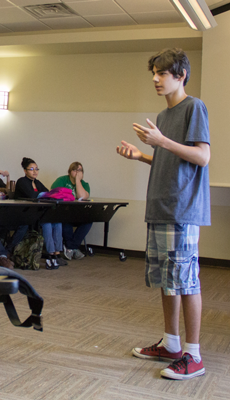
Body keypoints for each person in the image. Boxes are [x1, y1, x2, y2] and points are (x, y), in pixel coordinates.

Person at [117, 48, 210, 381]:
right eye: (153, 73)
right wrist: (141, 155)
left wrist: (162, 141)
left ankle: (193, 354)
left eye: (162, 73)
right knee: (167, 280)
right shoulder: (164, 115)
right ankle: (171, 344)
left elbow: (202, 157)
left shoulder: (193, 107)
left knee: (186, 281)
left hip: (182, 208)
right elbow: (168, 161)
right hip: (160, 206)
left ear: (180, 75)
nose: (156, 79)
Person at [14, 157, 66, 269]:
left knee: (57, 222)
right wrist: (45, 195)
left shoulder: (37, 182)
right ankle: (50, 254)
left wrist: (48, 195)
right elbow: (33, 196)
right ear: (25, 170)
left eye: (36, 169)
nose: (35, 171)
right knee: (47, 223)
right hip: (25, 213)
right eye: (31, 169)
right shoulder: (22, 181)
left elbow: (48, 193)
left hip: (38, 212)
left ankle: (57, 253)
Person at [51, 162, 92, 260]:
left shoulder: (85, 184)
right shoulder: (61, 180)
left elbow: (82, 197)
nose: (77, 172)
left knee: (89, 220)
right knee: (65, 219)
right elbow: (53, 193)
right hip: (63, 212)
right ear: (69, 172)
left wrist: (78, 180)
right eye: (75, 170)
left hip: (78, 214)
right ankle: (73, 248)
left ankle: (70, 247)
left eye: (80, 170)